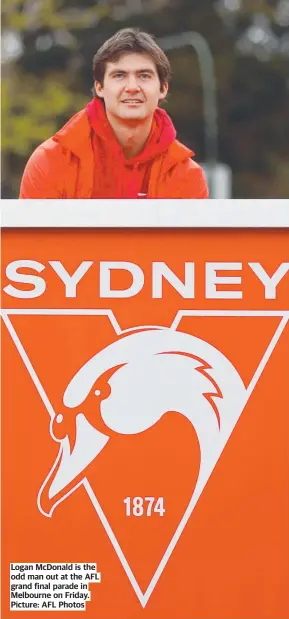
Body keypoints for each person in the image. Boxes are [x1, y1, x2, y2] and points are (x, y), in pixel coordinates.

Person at [19, 28, 209, 199]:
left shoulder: (187, 176)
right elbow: (33, 239)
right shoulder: (50, 162)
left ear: (163, 89)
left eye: (144, 76)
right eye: (119, 76)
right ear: (99, 87)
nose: (132, 87)